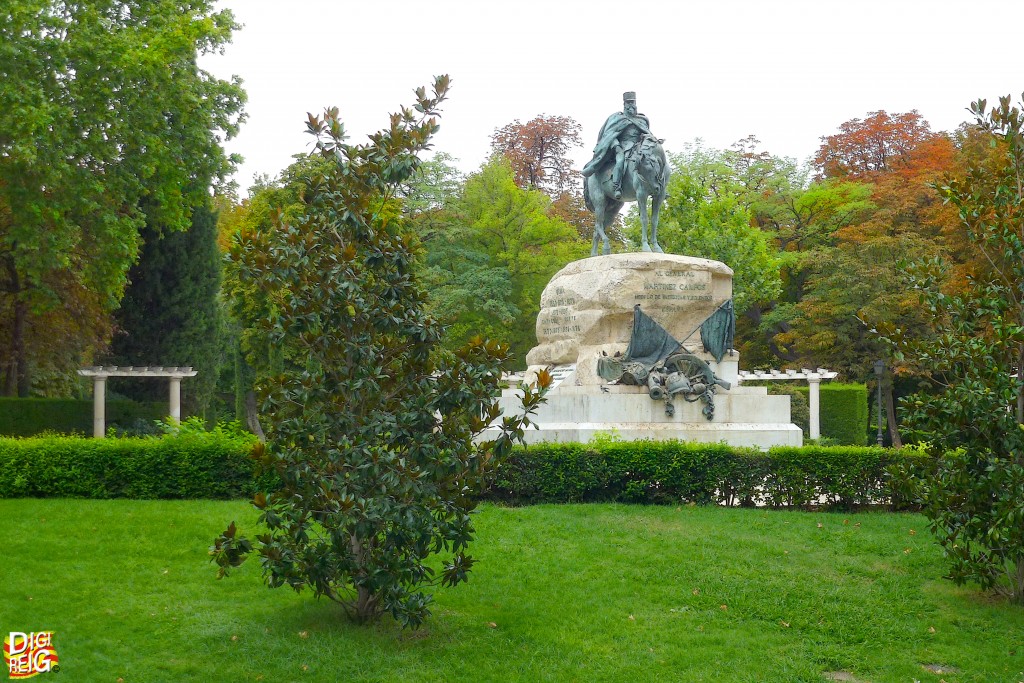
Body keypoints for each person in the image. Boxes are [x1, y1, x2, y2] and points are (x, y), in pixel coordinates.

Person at [581, 91, 655, 200]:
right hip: (621, 146)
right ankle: (617, 187)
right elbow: (609, 135)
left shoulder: (642, 120)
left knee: (653, 160)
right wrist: (616, 146)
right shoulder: (617, 118)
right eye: (628, 102)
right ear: (624, 104)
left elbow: (646, 134)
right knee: (620, 161)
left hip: (638, 147)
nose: (631, 105)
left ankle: (658, 185)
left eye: (633, 102)